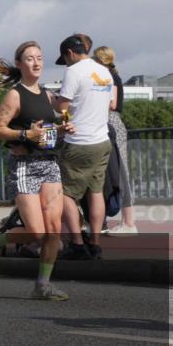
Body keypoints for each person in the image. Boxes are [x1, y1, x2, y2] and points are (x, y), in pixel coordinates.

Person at [0, 41, 71, 301]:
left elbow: (45, 134)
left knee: (54, 231)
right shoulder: (15, 95)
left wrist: (61, 131)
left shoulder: (48, 96)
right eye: (30, 58)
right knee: (37, 232)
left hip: (49, 164)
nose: (36, 62)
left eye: (39, 57)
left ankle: (42, 286)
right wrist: (26, 134)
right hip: (24, 167)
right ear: (20, 64)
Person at [52, 36, 116, 260]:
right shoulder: (104, 72)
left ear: (70, 53)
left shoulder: (74, 71)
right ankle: (95, 244)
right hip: (102, 140)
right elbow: (110, 104)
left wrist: (52, 100)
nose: (66, 64)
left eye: (65, 59)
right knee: (95, 192)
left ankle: (77, 244)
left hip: (79, 141)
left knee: (65, 193)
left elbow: (62, 107)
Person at [93, 46, 137, 235]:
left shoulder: (109, 77)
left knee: (121, 172)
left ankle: (128, 222)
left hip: (111, 122)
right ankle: (121, 221)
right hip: (109, 123)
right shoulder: (111, 75)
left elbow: (112, 103)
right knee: (114, 172)